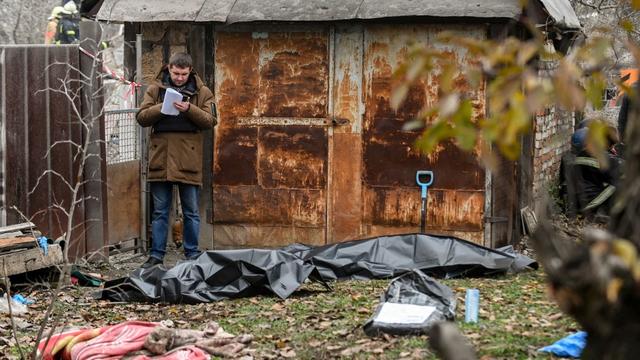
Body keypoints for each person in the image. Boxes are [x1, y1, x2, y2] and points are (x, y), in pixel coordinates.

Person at [136, 53, 216, 268]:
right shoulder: (155, 89)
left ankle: (192, 254)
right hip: (160, 157)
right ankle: (156, 255)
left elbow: (210, 121)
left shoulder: (202, 92)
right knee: (160, 211)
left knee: (190, 211)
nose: (179, 78)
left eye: (183, 74)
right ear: (168, 69)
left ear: (190, 71)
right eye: (175, 73)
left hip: (188, 158)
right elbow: (141, 117)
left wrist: (190, 109)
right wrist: (161, 108)